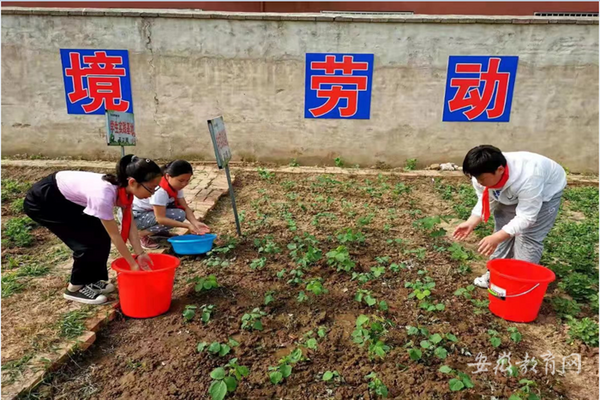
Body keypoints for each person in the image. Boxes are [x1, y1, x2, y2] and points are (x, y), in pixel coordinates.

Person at [24, 155, 163, 305]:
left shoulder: (124, 191)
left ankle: (91, 280)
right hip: (44, 201)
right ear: (133, 182)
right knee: (86, 243)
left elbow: (130, 226)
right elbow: (115, 235)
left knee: (100, 236)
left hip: (65, 198)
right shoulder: (104, 195)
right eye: (151, 188)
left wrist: (140, 254)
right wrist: (132, 264)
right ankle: (75, 288)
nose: (153, 193)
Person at [452, 145, 567, 288]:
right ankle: (495, 275)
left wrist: (498, 237)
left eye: (481, 178)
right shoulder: (481, 175)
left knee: (528, 237)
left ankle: (520, 283)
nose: (478, 182)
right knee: (502, 229)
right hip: (512, 190)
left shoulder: (529, 176)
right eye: (475, 178)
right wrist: (472, 221)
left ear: (500, 170)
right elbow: (486, 199)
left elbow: (527, 217)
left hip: (546, 193)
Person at [131, 160, 210, 249]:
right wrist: (188, 225)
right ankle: (141, 235)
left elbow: (185, 207)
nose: (184, 184)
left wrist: (195, 222)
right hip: (135, 217)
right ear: (168, 176)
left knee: (180, 213)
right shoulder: (160, 191)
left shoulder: (175, 187)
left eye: (187, 181)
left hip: (148, 214)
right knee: (177, 215)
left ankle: (157, 232)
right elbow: (160, 219)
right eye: (181, 180)